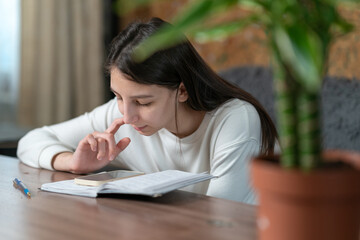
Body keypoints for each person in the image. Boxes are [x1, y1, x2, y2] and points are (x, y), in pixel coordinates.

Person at [17, 17, 278, 204]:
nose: (128, 116)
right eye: (118, 96)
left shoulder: (234, 120)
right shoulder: (118, 117)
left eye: (143, 102)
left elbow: (220, 218)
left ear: (182, 91)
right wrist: (72, 163)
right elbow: (31, 141)